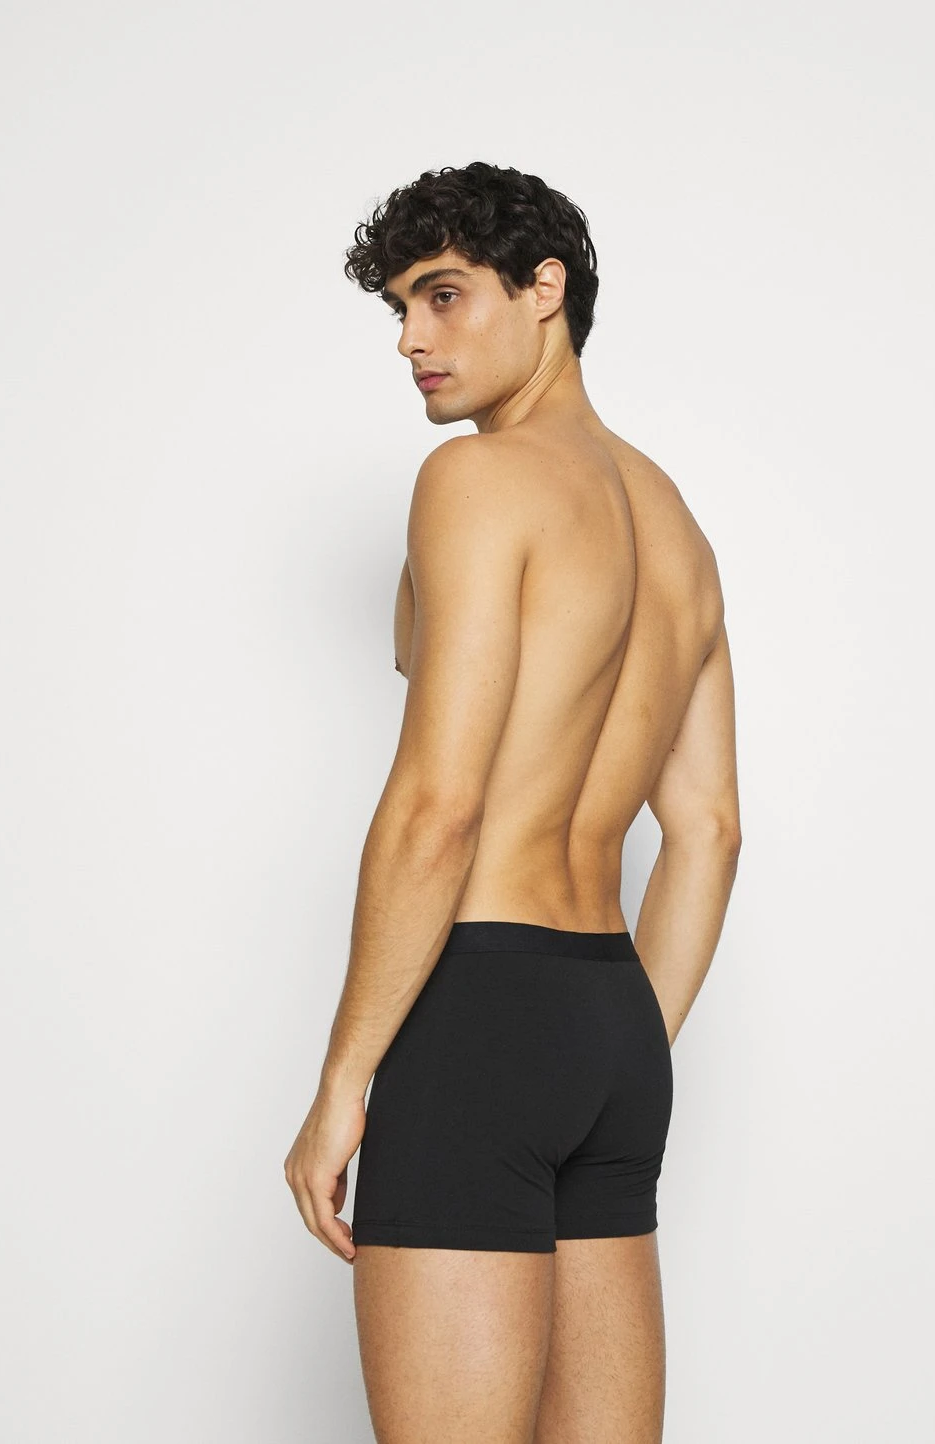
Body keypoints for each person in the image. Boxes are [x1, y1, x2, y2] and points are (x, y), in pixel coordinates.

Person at [284, 160, 741, 1443]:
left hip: (481, 1009)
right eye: (398, 309)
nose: (410, 340)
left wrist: (343, 1082)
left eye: (442, 296)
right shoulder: (676, 524)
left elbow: (438, 802)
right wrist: (614, 1040)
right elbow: (708, 831)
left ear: (546, 290)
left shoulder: (476, 483)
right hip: (610, 1022)